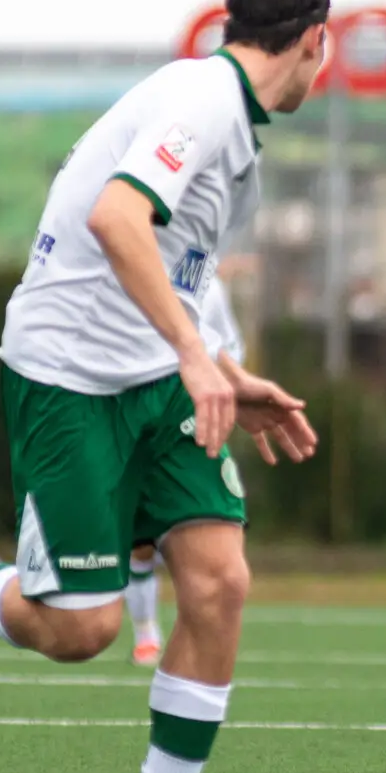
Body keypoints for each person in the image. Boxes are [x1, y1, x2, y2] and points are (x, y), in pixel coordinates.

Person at [0, 0, 328, 773]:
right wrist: (200, 359)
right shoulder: (200, 103)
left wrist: (224, 375)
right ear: (317, 42)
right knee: (82, 629)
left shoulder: (231, 124)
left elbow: (175, 267)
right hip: (69, 377)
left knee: (219, 580)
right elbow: (118, 220)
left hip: (155, 380)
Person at [127, 269, 253, 666]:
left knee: (214, 551)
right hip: (133, 414)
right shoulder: (126, 270)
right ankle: (146, 632)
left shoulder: (209, 286)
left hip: (192, 416)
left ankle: (192, 632)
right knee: (138, 545)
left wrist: (222, 382)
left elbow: (230, 346)